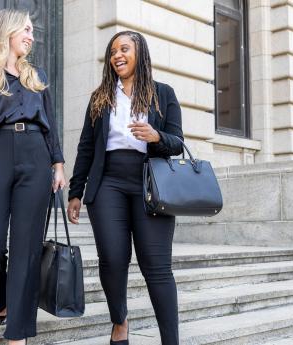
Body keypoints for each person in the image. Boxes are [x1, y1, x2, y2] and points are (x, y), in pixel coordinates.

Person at [67, 30, 183, 345]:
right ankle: (120, 322)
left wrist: (156, 137)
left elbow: (178, 143)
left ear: (139, 53)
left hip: (151, 185)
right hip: (108, 184)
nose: (117, 55)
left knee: (157, 268)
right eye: (112, 51)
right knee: (113, 259)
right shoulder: (101, 97)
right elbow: (86, 147)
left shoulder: (164, 93)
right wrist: (75, 192)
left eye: (124, 49)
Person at [0, 9, 66, 345]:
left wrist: (58, 165)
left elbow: (51, 124)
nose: (32, 36)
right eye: (26, 29)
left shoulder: (37, 76)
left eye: (33, 31)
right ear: (7, 31)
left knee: (27, 247)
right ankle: (1, 300)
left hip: (36, 155)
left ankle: (17, 335)